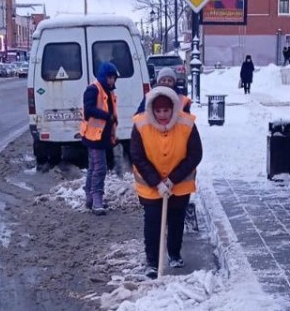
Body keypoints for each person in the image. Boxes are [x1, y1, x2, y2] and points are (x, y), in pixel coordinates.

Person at [130, 85, 203, 278]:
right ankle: (152, 262)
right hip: (150, 186)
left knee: (176, 220)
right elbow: (137, 156)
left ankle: (174, 254)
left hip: (179, 184)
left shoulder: (186, 124)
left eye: (166, 110)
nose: (162, 114)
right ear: (151, 110)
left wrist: (172, 180)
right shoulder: (140, 124)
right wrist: (157, 182)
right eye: (158, 110)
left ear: (173, 108)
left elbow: (195, 154)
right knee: (153, 221)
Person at [80, 61, 118, 214]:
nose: (112, 80)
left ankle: (90, 198)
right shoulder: (93, 89)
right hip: (94, 137)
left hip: (102, 136)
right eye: (109, 77)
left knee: (93, 168)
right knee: (100, 168)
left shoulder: (108, 91)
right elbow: (88, 110)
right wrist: (106, 116)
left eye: (114, 78)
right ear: (103, 76)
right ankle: (97, 200)